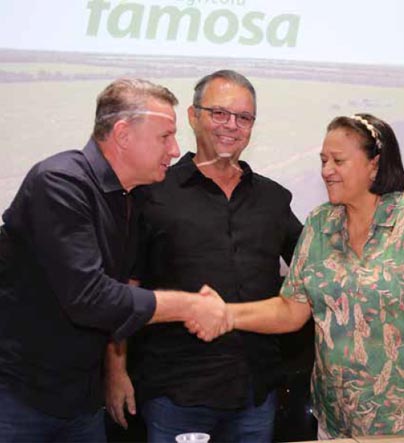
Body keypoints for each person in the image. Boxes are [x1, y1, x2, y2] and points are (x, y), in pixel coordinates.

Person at [212, 113, 404, 442]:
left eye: (338, 161)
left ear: (375, 165)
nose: (327, 170)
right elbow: (291, 310)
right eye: (323, 160)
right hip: (335, 426)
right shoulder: (319, 224)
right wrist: (224, 313)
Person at [0, 79, 231, 442]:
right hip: (21, 399)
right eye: (165, 136)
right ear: (123, 134)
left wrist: (115, 369)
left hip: (81, 399)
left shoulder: (131, 197)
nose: (174, 150)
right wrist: (189, 306)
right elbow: (90, 298)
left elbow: (122, 289)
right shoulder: (59, 183)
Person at [104, 70, 303, 443]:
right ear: (194, 117)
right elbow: (123, 290)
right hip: (176, 392)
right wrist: (115, 372)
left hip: (255, 393)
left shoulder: (274, 200)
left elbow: (316, 271)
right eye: (219, 113)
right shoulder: (152, 193)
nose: (232, 125)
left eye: (243, 117)